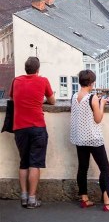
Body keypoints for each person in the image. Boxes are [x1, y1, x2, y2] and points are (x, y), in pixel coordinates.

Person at [69, 70, 109, 212]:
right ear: (92, 83)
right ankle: (107, 202)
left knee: (83, 168)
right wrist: (102, 103)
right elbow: (98, 119)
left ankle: (84, 199)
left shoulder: (74, 96)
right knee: (105, 168)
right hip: (93, 138)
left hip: (79, 137)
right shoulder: (92, 98)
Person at [11, 57, 55, 209]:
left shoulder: (16, 81)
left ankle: (23, 197)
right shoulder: (43, 81)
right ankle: (32, 198)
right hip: (37, 126)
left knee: (23, 162)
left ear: (25, 69)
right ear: (37, 70)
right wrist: (40, 100)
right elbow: (52, 101)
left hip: (19, 128)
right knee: (34, 163)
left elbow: (13, 98)